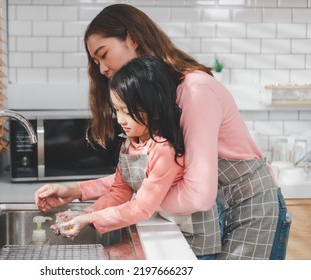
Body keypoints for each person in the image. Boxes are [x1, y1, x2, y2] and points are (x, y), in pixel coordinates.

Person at [35, 4, 290, 260]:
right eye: (95, 61)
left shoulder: (194, 90)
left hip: (252, 208)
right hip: (220, 211)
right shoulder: (155, 97)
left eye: (103, 54)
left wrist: (139, 204)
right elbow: (149, 177)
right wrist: (77, 191)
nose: (101, 69)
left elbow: (196, 195)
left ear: (132, 39)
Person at [45, 55, 187, 240]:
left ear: (155, 111)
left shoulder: (163, 150)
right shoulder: (130, 142)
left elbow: (142, 207)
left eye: (127, 112)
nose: (120, 120)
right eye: (117, 110)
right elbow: (120, 192)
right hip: (163, 226)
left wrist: (91, 218)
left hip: (187, 234)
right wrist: (83, 215)